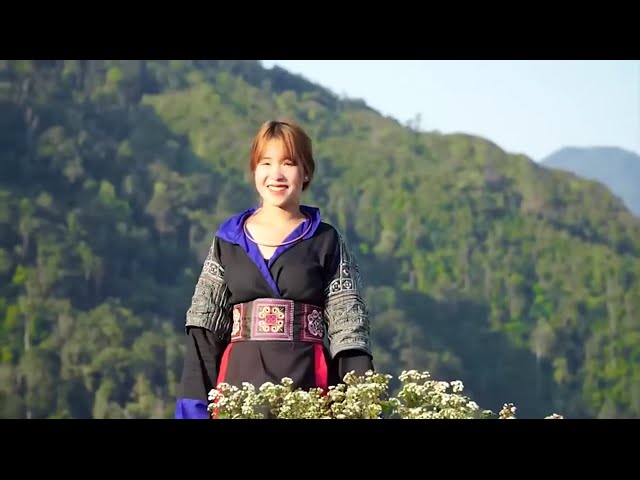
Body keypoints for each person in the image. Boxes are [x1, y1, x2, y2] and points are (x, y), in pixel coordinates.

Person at [174, 119, 374, 419]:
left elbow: (349, 332)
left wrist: (362, 403)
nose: (276, 174)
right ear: (254, 170)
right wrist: (194, 409)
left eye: (288, 163)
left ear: (306, 172)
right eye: (266, 163)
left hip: (309, 388)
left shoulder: (326, 241)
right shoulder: (228, 240)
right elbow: (204, 333)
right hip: (237, 390)